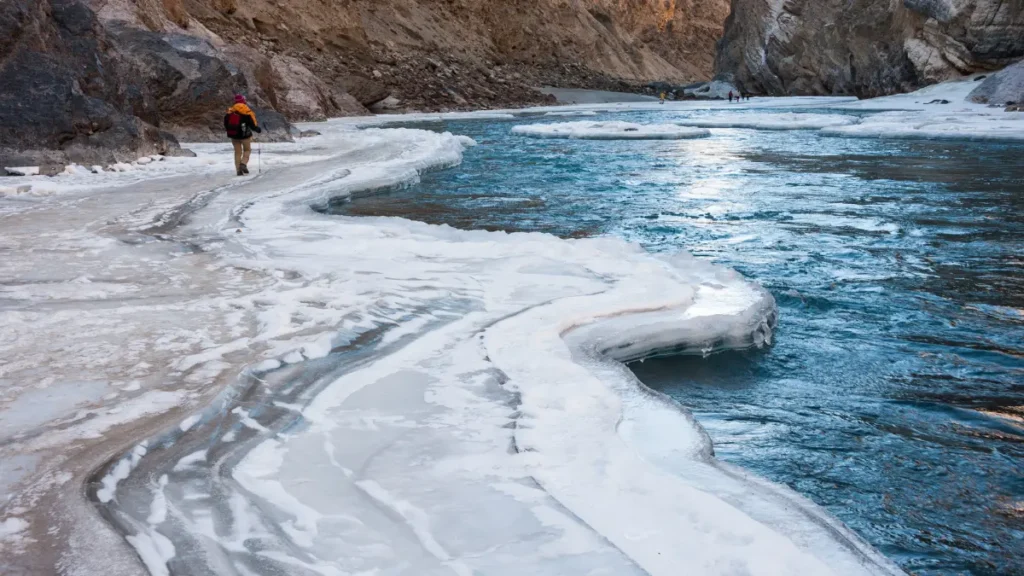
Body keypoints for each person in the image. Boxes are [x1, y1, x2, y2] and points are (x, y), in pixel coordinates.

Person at [224, 94, 262, 176]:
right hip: (245, 136)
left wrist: (231, 131)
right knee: (247, 150)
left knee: (237, 152)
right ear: (243, 101)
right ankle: (243, 164)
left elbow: (226, 124)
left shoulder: (230, 112)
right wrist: (257, 129)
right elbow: (252, 125)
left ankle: (238, 171)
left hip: (234, 136)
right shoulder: (246, 111)